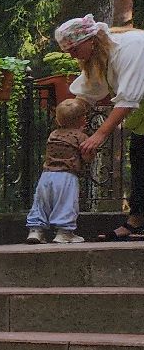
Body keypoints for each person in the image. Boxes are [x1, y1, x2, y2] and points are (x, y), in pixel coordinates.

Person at [55, 14, 144, 240]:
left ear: (90, 40)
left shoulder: (132, 47)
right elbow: (87, 93)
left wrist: (100, 135)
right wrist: (68, 124)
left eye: (74, 50)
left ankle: (136, 221)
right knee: (140, 161)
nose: (73, 56)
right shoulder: (98, 56)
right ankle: (137, 220)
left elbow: (128, 98)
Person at [27, 97, 93, 244]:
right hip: (66, 176)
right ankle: (64, 232)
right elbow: (87, 157)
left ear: (58, 120)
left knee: (41, 203)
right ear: (82, 120)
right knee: (66, 203)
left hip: (47, 175)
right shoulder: (81, 136)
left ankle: (36, 230)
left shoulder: (53, 134)